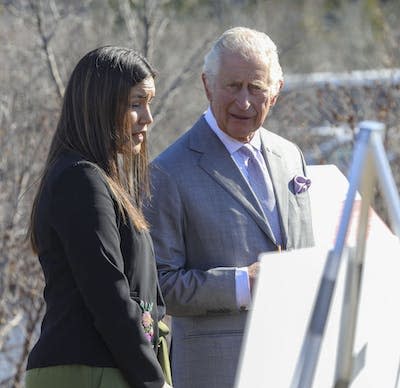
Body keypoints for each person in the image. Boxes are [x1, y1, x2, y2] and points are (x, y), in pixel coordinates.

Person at [144, 27, 314, 388]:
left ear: (276, 92)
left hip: (294, 366)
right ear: (207, 85)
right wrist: (242, 284)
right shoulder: (167, 171)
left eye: (256, 88)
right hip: (217, 374)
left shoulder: (291, 157)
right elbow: (158, 286)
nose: (245, 102)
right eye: (233, 86)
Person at [25, 46, 172, 388]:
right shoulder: (80, 179)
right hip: (89, 371)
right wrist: (153, 380)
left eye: (148, 103)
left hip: (114, 368)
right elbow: (108, 294)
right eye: (136, 103)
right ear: (100, 106)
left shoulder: (96, 179)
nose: (148, 118)